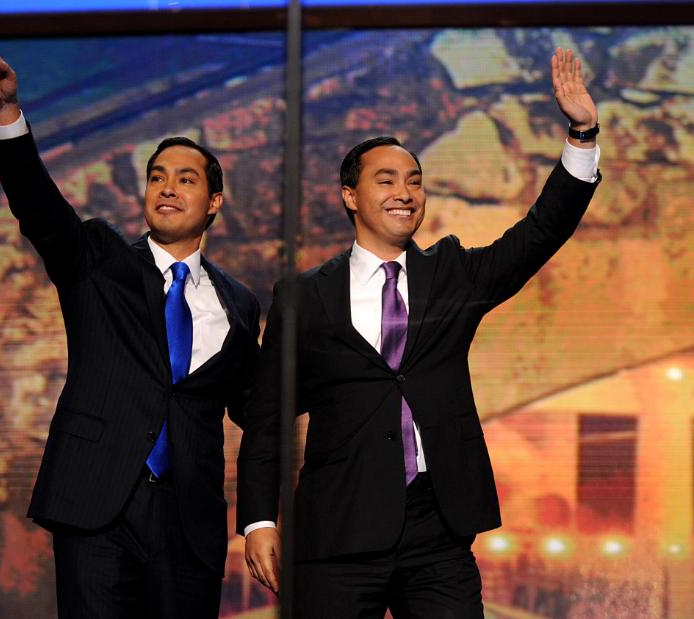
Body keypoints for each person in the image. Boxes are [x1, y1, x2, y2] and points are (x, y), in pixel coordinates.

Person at [237, 48, 601, 618]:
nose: (405, 193)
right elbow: (268, 417)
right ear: (350, 196)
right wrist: (259, 519)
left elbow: (540, 232)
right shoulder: (303, 297)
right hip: (337, 527)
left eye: (414, 181)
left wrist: (581, 133)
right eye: (386, 181)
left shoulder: (453, 274)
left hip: (438, 527)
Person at [0, 30, 261, 618]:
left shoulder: (240, 303)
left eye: (185, 178)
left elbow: (254, 410)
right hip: (97, 506)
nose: (167, 187)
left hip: (189, 523)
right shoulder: (99, 260)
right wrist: (6, 115)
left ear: (214, 202)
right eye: (157, 176)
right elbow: (40, 210)